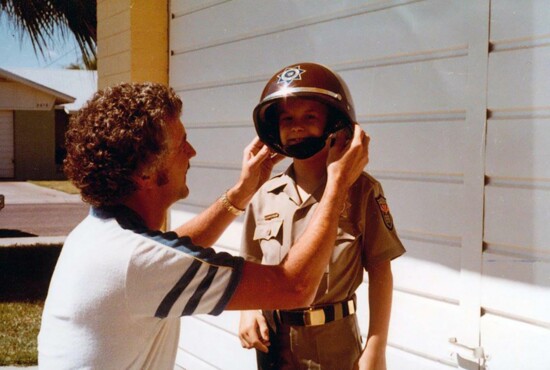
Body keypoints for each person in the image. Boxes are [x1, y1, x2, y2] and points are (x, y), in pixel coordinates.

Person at [37, 82, 370, 370]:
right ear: (146, 175)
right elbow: (294, 288)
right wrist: (337, 184)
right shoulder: (137, 262)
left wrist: (242, 192)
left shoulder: (99, 235)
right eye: (181, 144)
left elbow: (172, 249)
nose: (192, 152)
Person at [238, 63, 406, 370]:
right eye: (287, 118)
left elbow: (381, 272)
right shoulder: (265, 194)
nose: (296, 126)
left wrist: (376, 348)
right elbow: (251, 265)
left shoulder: (361, 191)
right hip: (275, 348)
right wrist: (247, 311)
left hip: (335, 348)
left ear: (333, 124)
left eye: (309, 117)